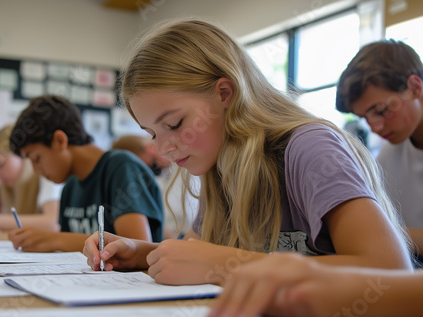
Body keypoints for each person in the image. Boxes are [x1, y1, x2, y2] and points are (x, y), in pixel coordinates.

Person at [83, 19, 413, 285]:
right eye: (152, 133)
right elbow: (197, 254)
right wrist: (139, 252)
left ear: (225, 93)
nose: (163, 148)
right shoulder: (218, 164)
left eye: (174, 123)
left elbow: (390, 270)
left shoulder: (308, 148)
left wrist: (228, 266)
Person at [7, 95, 163, 252]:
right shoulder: (71, 187)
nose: (36, 170)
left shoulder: (121, 167)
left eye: (36, 158)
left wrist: (54, 239)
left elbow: (139, 247)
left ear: (60, 141)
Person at [336, 39, 423, 263]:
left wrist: (387, 235)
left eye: (381, 111)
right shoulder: (388, 156)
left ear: (414, 88)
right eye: (366, 118)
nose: (375, 127)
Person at [207, 252, 423, 317]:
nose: (170, 149)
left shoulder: (309, 151)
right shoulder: (213, 178)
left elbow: (392, 265)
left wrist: (345, 290)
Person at [112, 134, 199, 239]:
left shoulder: (190, 169)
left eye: (139, 166)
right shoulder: (160, 177)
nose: (142, 172)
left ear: (150, 149)